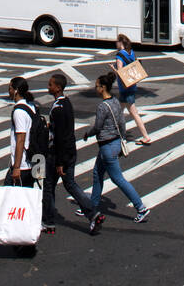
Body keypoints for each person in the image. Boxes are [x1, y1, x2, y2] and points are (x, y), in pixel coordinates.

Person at [83, 71, 149, 232]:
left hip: (107, 146)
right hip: (114, 144)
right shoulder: (115, 102)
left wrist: (87, 134)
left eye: (97, 86)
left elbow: (98, 127)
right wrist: (122, 140)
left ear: (103, 87)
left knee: (117, 179)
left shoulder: (102, 106)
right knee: (97, 175)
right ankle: (93, 205)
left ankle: (141, 207)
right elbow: (122, 123)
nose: (95, 88)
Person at [41, 72, 94, 232]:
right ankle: (93, 213)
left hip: (59, 154)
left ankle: (48, 221)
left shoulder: (57, 108)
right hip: (70, 151)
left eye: (50, 84)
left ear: (57, 87)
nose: (48, 87)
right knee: (70, 184)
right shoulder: (67, 103)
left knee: (48, 186)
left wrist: (59, 162)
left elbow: (60, 138)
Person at [112, 33, 150, 145]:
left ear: (120, 42)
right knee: (119, 112)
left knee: (133, 113)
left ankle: (145, 136)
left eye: (117, 41)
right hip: (132, 85)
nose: (115, 43)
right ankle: (118, 135)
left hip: (125, 88)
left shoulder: (119, 56)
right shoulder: (131, 53)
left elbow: (120, 73)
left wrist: (113, 69)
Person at [7, 77, 37, 187]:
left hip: (23, 164)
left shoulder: (19, 111)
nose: (8, 91)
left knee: (11, 197)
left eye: (10, 88)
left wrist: (16, 167)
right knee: (31, 196)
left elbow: (20, 139)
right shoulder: (31, 106)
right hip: (34, 160)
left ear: (16, 91)